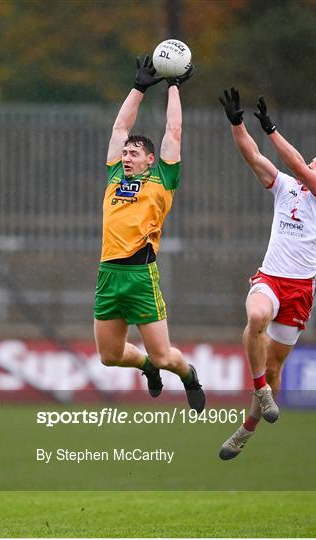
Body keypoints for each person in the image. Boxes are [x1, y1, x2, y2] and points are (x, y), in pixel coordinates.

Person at [218, 88, 316, 459]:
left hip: (300, 290)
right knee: (256, 315)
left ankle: (245, 430)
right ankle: (260, 390)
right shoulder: (286, 188)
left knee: (275, 368)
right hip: (271, 278)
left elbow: (298, 167)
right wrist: (236, 123)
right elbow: (252, 157)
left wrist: (272, 129)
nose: (314, 164)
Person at [93, 55, 205, 413]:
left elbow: (173, 132)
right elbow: (118, 128)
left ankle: (188, 376)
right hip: (109, 274)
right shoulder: (115, 177)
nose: (126, 156)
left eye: (134, 153)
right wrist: (139, 87)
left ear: (150, 160)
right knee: (109, 356)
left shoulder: (162, 180)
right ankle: (145, 368)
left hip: (141, 276)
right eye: (125, 152)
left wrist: (173, 85)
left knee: (165, 355)